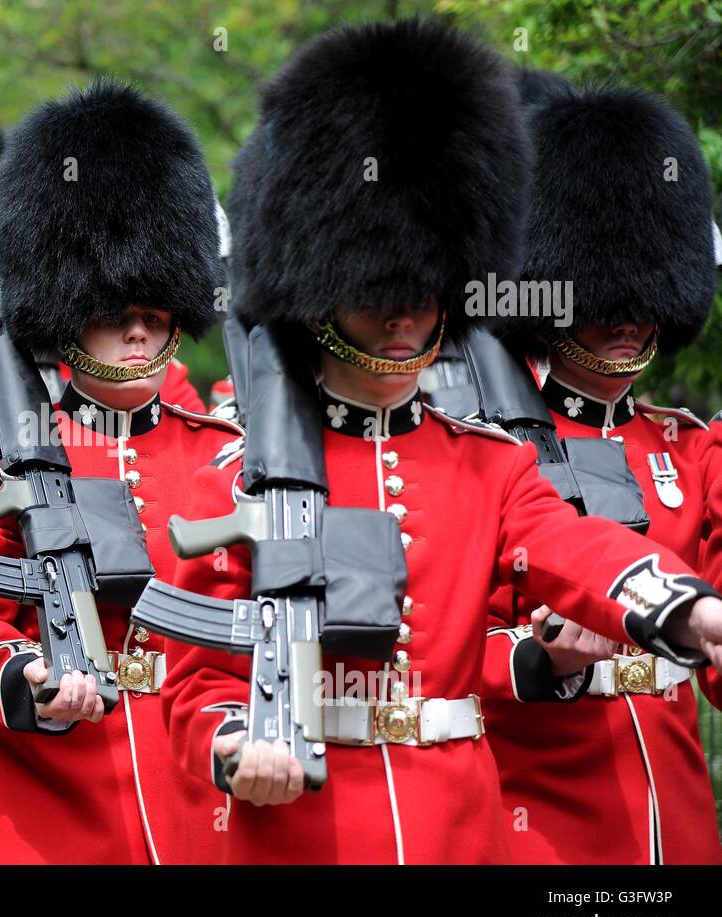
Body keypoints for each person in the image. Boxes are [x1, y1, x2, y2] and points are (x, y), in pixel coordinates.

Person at [160, 18, 722, 864]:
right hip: (303, 830)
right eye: (377, 293)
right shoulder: (238, 475)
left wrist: (683, 603)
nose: (405, 317)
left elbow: (570, 545)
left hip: (463, 830)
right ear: (320, 294)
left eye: (425, 292)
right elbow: (194, 677)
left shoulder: (487, 462)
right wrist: (234, 742)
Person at [0, 81, 243, 864]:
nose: (138, 331)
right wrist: (25, 673)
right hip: (60, 810)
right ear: (68, 312)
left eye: (155, 312)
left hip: (205, 804)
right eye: (112, 311)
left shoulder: (222, 452)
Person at [478, 83, 722, 864]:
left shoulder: (688, 452)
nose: (627, 321)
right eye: (604, 301)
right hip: (544, 827)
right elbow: (432, 646)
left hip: (677, 825)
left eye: (644, 301)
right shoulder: (489, 452)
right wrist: (538, 657)